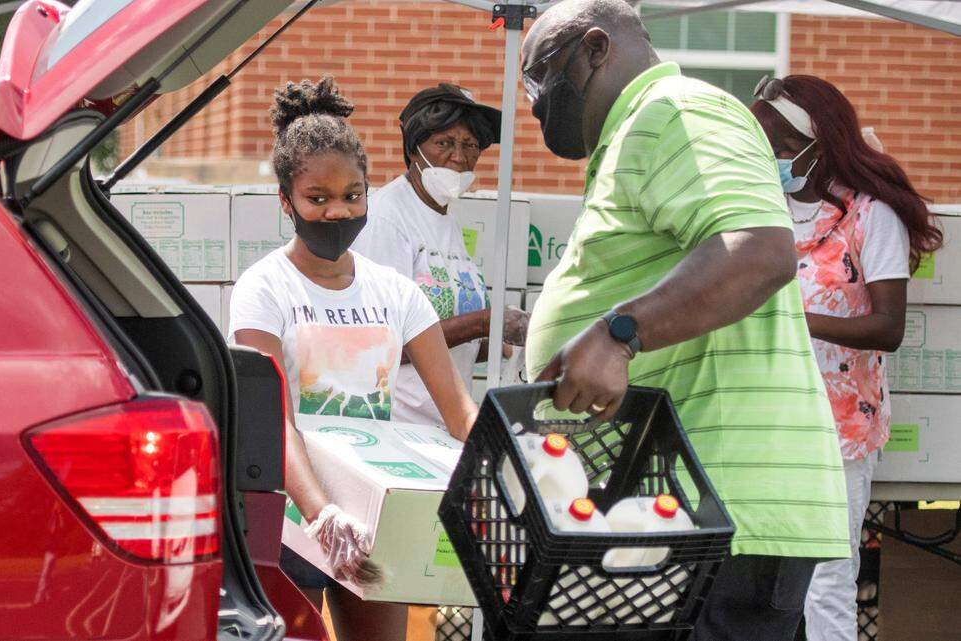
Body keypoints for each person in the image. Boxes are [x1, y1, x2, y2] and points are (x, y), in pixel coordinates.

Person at [519, 2, 848, 639]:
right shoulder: (640, 130)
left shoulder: (674, 110)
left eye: (541, 77)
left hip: (718, 509)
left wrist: (619, 334)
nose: (534, 103)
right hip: (680, 509)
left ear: (595, 48)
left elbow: (756, 249)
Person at [228, 76, 478, 641]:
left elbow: (459, 412)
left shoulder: (397, 293)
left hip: (372, 514)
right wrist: (321, 514)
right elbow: (274, 420)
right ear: (286, 200)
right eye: (317, 199)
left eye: (353, 194)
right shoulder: (264, 290)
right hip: (288, 519)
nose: (338, 211)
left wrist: (509, 466)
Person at [750, 75, 942, 641]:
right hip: (763, 421)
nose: (773, 156)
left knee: (827, 579)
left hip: (839, 431)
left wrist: (792, 320)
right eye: (763, 143)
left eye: (781, 145)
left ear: (819, 143)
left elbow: (888, 327)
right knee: (758, 576)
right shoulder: (765, 209)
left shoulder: (870, 214)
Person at [352, 83, 530, 426]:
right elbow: (378, 345)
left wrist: (504, 341)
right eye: (444, 143)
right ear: (414, 147)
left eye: (471, 145)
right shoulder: (387, 219)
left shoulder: (445, 218)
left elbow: (454, 341)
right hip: (398, 426)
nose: (459, 157)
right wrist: (486, 322)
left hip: (444, 423)